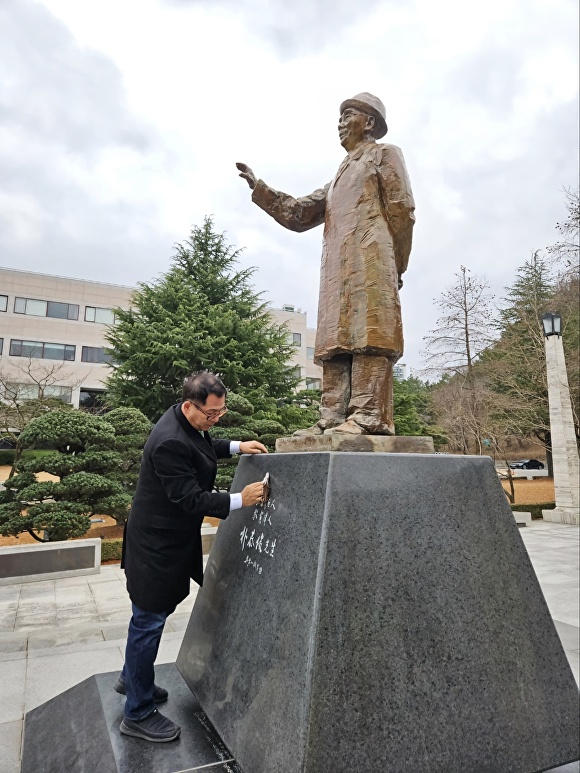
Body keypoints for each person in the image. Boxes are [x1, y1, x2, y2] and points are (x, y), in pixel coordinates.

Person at [237, 92, 415, 435]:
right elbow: (300, 212)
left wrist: (397, 264)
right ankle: (332, 417)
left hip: (373, 260)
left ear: (371, 123)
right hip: (337, 268)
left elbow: (402, 209)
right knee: (335, 340)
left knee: (369, 334)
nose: (340, 123)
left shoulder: (385, 154)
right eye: (340, 116)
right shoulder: (339, 175)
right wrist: (260, 188)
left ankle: (369, 416)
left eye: (349, 115)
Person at [117, 370, 267, 742]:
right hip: (154, 546)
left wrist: (236, 446)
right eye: (211, 414)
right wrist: (239, 500)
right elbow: (190, 499)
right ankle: (136, 712)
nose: (215, 420)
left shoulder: (184, 420)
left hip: (166, 541)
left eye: (221, 413)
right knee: (148, 621)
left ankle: (133, 679)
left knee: (152, 616)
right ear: (190, 406)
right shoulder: (169, 441)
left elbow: (201, 446)